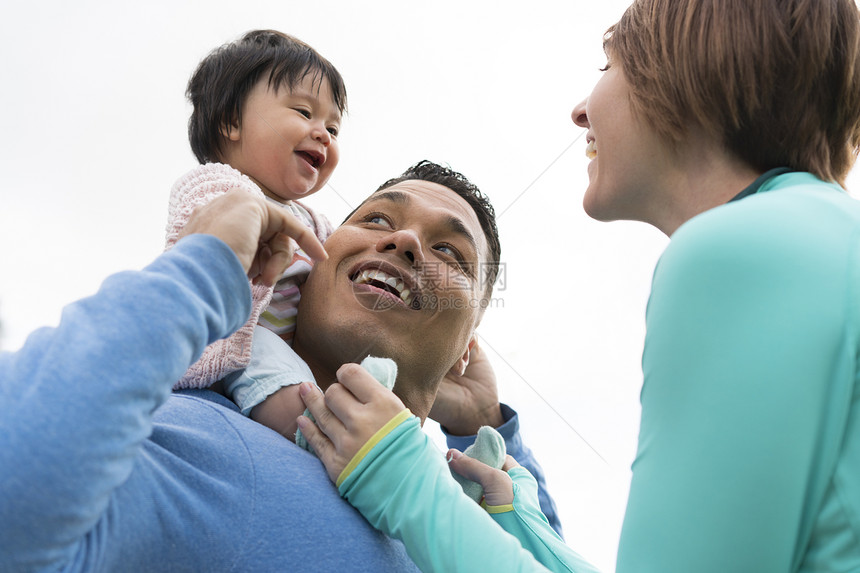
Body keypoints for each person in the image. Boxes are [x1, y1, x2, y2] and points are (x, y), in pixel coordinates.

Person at [297, 1, 860, 572]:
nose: (579, 112)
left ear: (690, 81)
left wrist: (402, 480)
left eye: (607, 68)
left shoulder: (740, 253)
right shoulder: (820, 234)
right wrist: (528, 530)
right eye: (375, 220)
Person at [0, 163, 565, 571]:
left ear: (466, 349)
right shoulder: (200, 438)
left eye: (450, 252)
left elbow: (555, 558)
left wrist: (488, 425)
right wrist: (205, 266)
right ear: (304, 269)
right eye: (375, 219)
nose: (406, 239)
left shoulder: (459, 520)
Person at [164, 29, 346, 442]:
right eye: (303, 112)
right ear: (232, 122)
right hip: (236, 345)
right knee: (293, 389)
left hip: (293, 357)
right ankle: (328, 447)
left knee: (350, 389)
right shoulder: (216, 189)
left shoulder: (314, 222)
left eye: (333, 129)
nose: (323, 134)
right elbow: (198, 254)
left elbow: (347, 262)